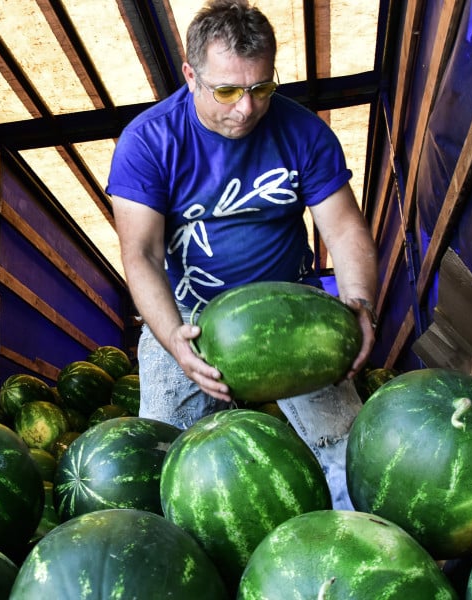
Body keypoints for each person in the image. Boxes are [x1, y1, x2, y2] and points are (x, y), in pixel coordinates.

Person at [105, 0, 378, 509]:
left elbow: (344, 230)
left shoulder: (303, 132)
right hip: (189, 313)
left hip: (289, 306)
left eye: (260, 88)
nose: (246, 108)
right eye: (226, 90)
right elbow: (139, 255)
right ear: (190, 75)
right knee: (163, 462)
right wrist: (173, 341)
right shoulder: (147, 142)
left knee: (348, 451)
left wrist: (360, 302)